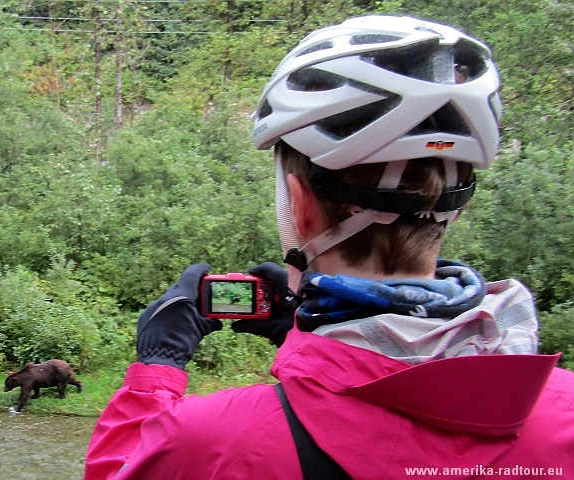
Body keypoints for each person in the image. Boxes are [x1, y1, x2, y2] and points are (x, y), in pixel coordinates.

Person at [84, 15, 574, 480]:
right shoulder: (565, 415)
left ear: (299, 207)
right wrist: (311, 343)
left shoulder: (215, 443)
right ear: (458, 207)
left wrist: (157, 368)